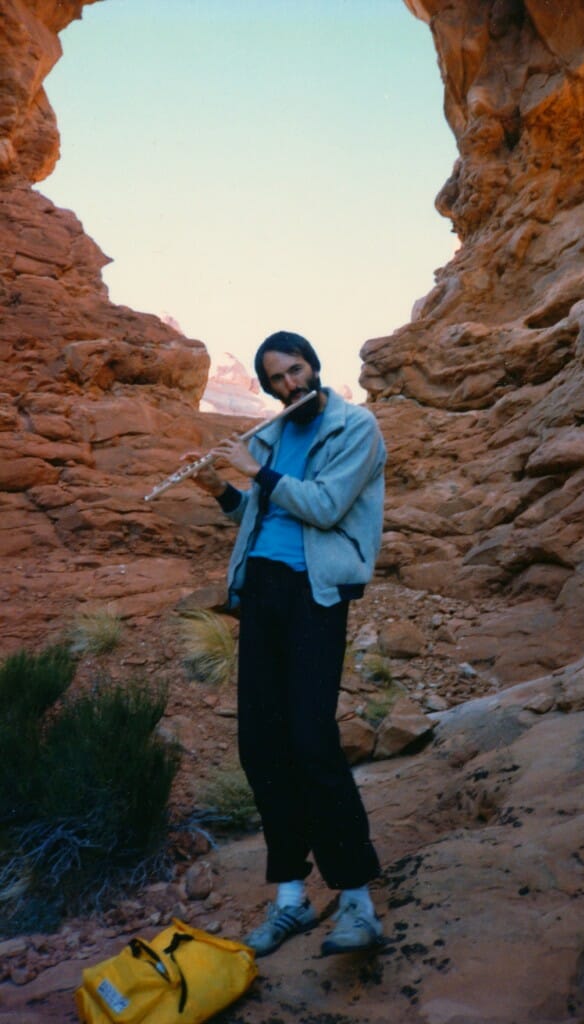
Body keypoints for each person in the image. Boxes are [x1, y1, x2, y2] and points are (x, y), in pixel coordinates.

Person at [189, 331, 387, 957]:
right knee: (260, 745)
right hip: (263, 595)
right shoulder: (273, 434)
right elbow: (258, 511)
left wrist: (257, 471)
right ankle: (291, 899)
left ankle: (356, 900)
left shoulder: (356, 428)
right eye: (276, 379)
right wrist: (223, 492)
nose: (289, 386)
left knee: (310, 740)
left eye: (296, 371)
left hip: (315, 595)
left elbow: (326, 507)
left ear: (314, 364)